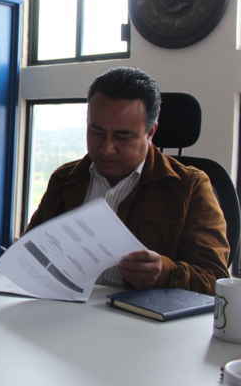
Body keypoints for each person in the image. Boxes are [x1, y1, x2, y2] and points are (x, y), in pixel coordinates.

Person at [25, 67, 229, 295]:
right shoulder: (65, 179)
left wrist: (165, 272)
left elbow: (216, 281)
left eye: (122, 136)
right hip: (61, 307)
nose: (106, 148)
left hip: (139, 315)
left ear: (150, 133)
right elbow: (29, 251)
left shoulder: (190, 187)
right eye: (97, 132)